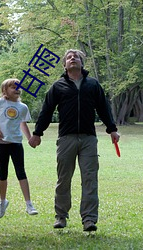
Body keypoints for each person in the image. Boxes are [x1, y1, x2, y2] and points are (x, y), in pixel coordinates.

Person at [29, 49, 120, 231]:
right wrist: (37, 133)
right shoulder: (57, 86)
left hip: (88, 139)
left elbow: (104, 109)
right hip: (66, 139)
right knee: (64, 179)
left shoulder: (93, 85)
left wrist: (112, 130)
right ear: (64, 64)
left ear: (81, 63)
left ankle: (89, 219)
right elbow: (46, 111)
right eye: (69, 58)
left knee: (90, 179)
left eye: (76, 57)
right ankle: (61, 216)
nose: (73, 59)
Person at [0, 78, 38, 219]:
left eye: (18, 87)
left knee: (21, 172)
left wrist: (29, 138)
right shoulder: (0, 103)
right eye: (13, 87)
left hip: (16, 144)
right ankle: (3, 202)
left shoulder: (23, 107)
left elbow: (23, 124)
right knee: (2, 174)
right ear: (5, 91)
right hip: (2, 144)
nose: (17, 89)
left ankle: (29, 204)